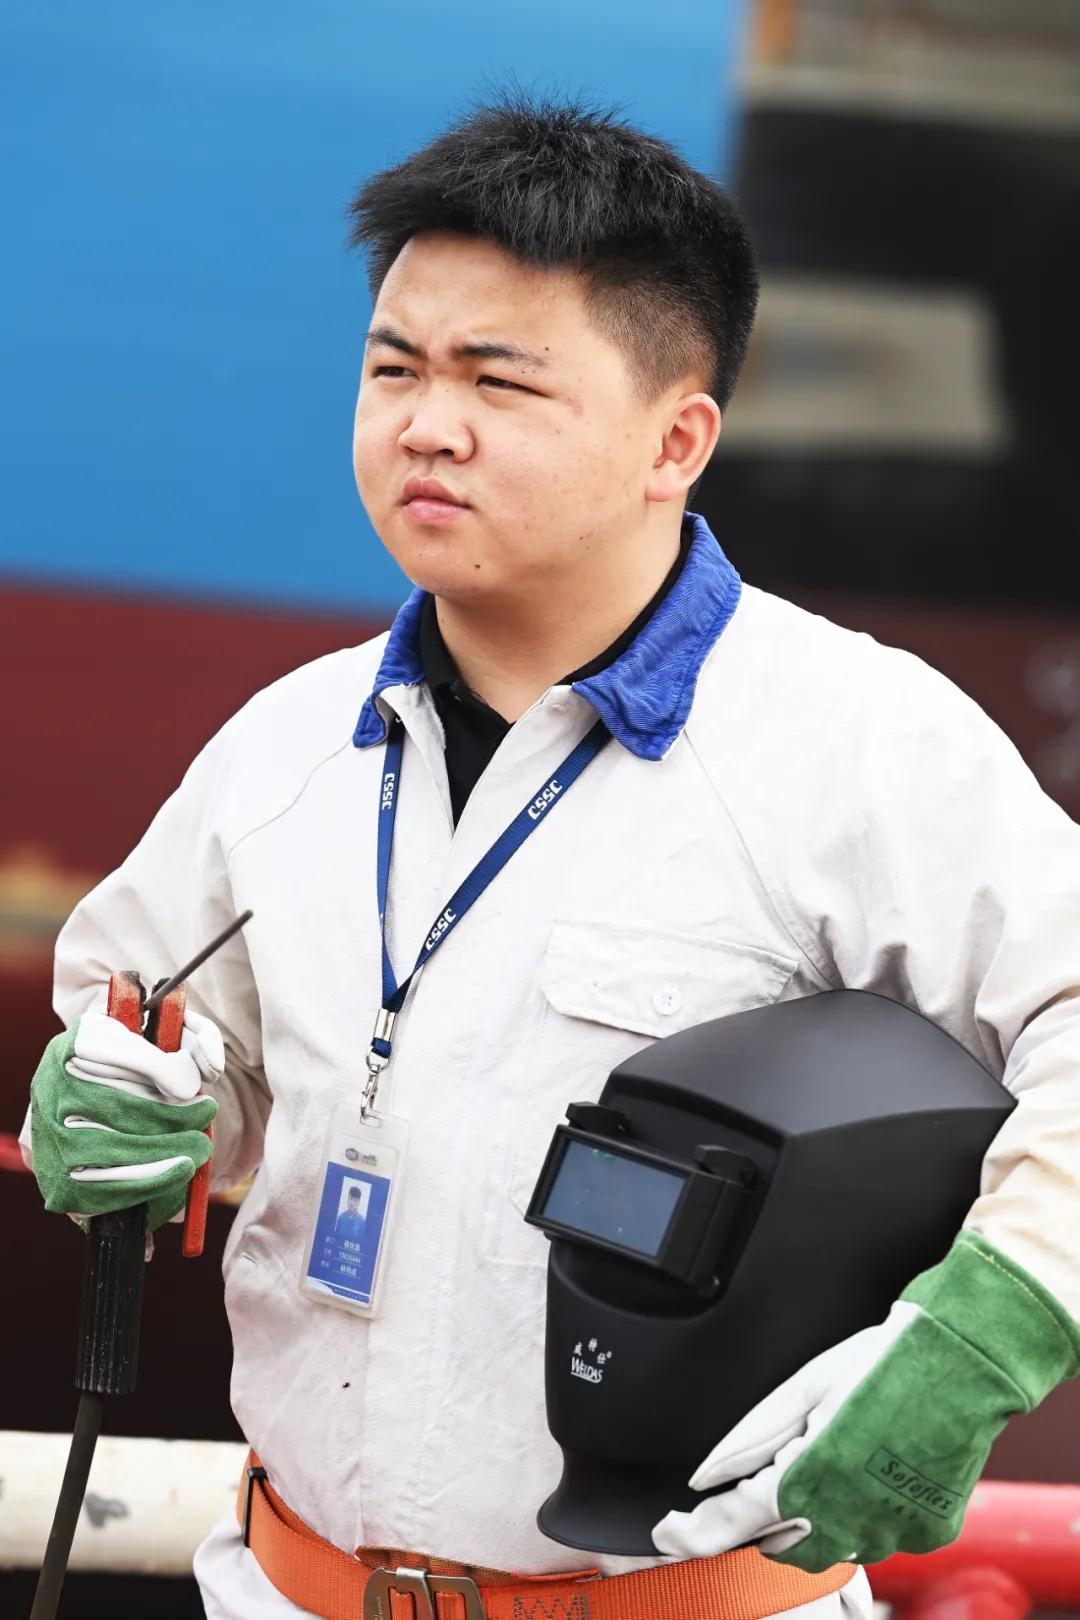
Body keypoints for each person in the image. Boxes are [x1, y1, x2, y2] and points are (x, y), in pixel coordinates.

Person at [23, 95, 1080, 1620]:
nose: (424, 424)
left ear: (677, 440)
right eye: (394, 367)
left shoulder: (857, 744)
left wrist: (988, 1333)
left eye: (497, 381)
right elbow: (161, 1047)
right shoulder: (287, 749)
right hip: (284, 1588)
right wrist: (130, 1104)